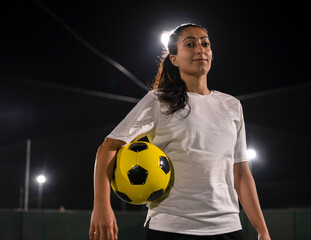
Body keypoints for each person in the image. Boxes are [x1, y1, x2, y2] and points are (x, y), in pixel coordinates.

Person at [89, 23, 271, 240]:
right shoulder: (159, 100)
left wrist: (262, 230)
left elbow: (240, 173)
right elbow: (108, 148)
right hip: (170, 227)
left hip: (227, 228)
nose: (200, 49)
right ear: (174, 59)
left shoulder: (231, 105)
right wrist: (101, 206)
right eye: (190, 44)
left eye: (205, 43)